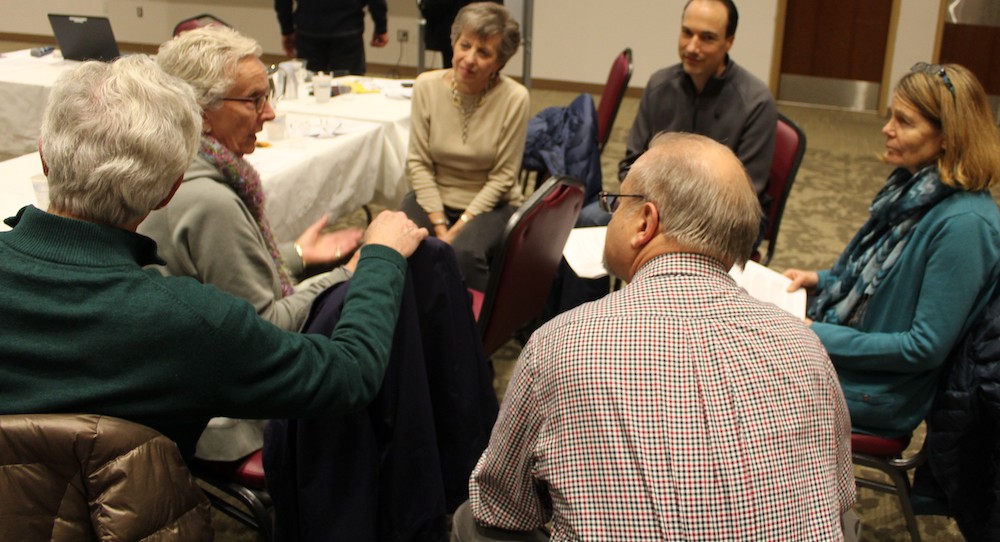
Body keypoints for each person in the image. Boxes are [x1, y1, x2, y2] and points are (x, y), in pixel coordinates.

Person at [0, 53, 428, 461]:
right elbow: (347, 376)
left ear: (44, 155)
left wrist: (296, 257)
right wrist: (378, 259)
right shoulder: (189, 322)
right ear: (169, 190)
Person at [455, 133, 856, 540]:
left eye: (615, 204)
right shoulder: (806, 347)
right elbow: (839, 503)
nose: (610, 215)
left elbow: (501, 506)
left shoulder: (562, 343)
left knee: (468, 522)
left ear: (645, 223)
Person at [140, 25, 367, 460]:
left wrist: (297, 257)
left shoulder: (173, 168)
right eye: (254, 99)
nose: (270, 114)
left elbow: (219, 283)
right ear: (200, 113)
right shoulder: (207, 198)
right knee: (369, 342)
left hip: (180, 381)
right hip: (220, 415)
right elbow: (267, 328)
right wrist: (353, 271)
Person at [784, 63, 1000, 439]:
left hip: (881, 392)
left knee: (732, 378)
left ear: (948, 136)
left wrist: (817, 333)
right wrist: (820, 280)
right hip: (858, 358)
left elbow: (922, 347)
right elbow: (875, 284)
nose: (887, 129)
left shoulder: (965, 225)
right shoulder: (912, 189)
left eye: (904, 121)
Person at [549, 0, 776, 317]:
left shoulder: (755, 102)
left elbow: (745, 194)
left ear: (729, 42)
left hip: (714, 224)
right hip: (651, 209)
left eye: (707, 38)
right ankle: (580, 324)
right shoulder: (660, 86)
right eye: (686, 33)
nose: (692, 47)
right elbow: (630, 163)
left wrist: (662, 222)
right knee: (588, 219)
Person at [402, 2, 528, 291]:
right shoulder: (426, 86)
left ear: (499, 63)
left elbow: (503, 177)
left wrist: (456, 231)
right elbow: (418, 163)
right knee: (398, 243)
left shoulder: (514, 97)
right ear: (454, 43)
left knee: (463, 254)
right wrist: (440, 225)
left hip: (492, 203)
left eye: (483, 53)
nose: (469, 58)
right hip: (434, 195)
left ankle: (475, 329)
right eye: (465, 45)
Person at [275, 0, 388, 75]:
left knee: (309, 86)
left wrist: (287, 30)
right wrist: (381, 27)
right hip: (347, 29)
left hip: (309, 28)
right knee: (348, 87)